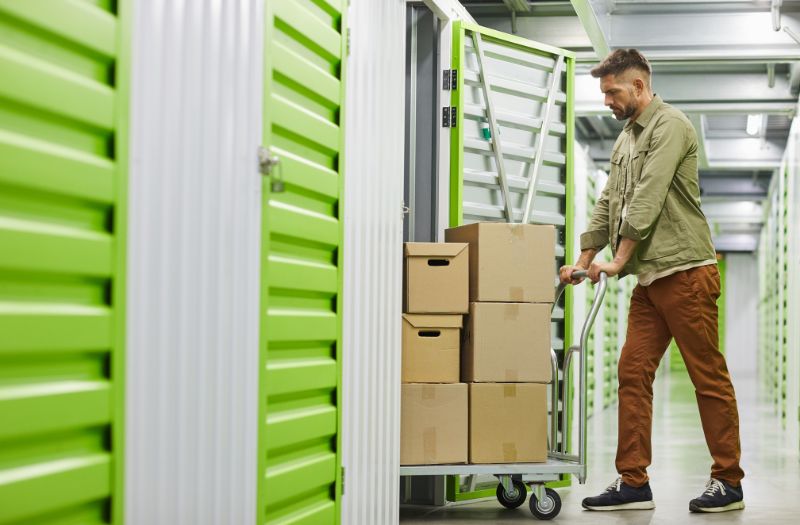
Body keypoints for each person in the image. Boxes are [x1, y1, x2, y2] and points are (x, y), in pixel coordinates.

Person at [559, 49, 745, 513]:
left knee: (707, 376)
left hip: (686, 273)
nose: (606, 100)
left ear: (639, 86)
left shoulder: (672, 126)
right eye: (603, 93)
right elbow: (609, 205)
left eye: (611, 91)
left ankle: (728, 480)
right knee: (632, 372)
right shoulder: (625, 140)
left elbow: (648, 198)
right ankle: (633, 481)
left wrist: (618, 262)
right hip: (649, 281)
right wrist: (583, 261)